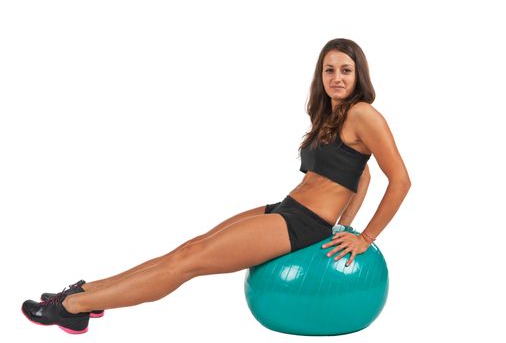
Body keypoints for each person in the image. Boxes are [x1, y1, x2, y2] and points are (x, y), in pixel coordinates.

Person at [21, 38, 411, 334]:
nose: (337, 78)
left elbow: (400, 179)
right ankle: (85, 293)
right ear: (320, 75)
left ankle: (70, 307)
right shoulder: (331, 114)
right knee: (186, 249)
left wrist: (361, 235)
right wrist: (345, 218)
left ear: (359, 74)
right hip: (286, 209)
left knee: (186, 264)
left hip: (305, 225)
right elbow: (362, 172)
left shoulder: (363, 114)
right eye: (329, 70)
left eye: (346, 69)